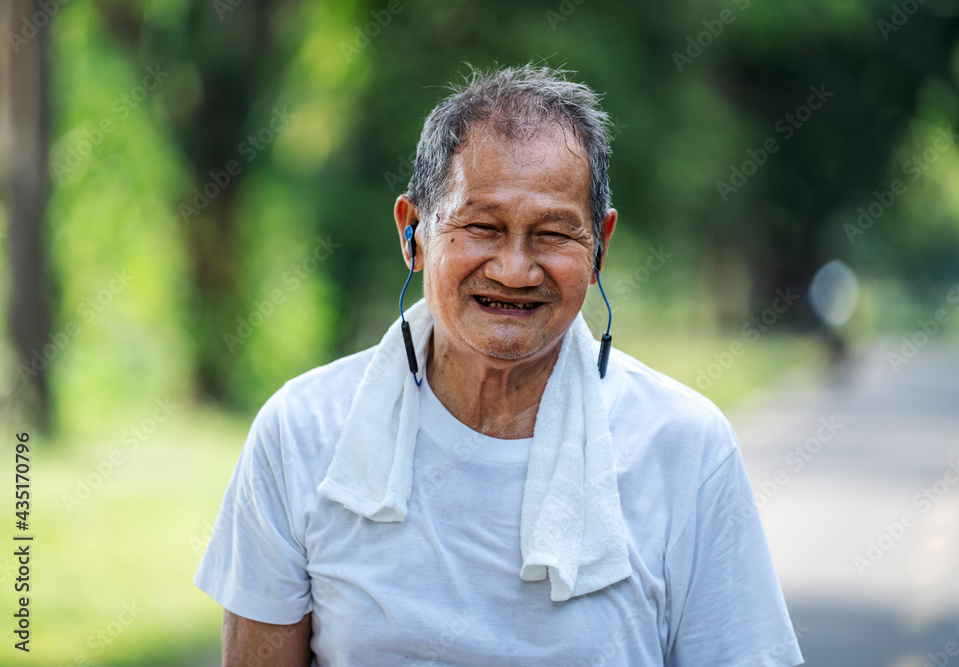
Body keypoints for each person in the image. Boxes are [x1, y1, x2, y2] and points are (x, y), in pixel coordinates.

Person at [194, 63, 804, 667]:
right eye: (482, 227)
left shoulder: (685, 447)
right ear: (414, 233)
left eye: (553, 234)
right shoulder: (300, 433)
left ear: (600, 246)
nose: (514, 270)